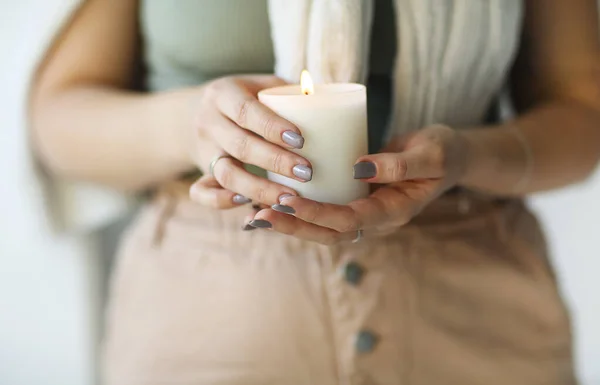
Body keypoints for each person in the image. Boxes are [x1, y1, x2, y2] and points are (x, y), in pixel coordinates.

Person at [29, 0, 600, 383]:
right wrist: (187, 124)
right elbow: (55, 118)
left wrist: (468, 156)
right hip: (208, 316)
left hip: (479, 312)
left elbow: (583, 110)